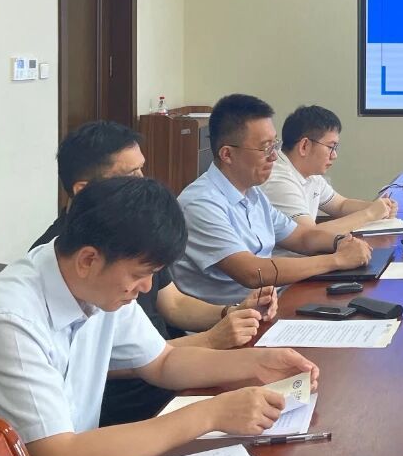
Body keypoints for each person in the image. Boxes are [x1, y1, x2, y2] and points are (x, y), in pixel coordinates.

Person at [0, 177, 319, 456]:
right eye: (141, 274)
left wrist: (257, 363)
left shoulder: (93, 282)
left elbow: (161, 362)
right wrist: (210, 414)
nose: (146, 287)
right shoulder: (10, 320)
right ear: (89, 259)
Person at [31, 120, 278, 426]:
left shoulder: (130, 238)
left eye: (142, 169)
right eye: (129, 175)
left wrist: (231, 312)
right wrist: (211, 340)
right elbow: (103, 364)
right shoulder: (69, 264)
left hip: (165, 377)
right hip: (127, 404)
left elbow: (172, 305)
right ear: (83, 191)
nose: (142, 182)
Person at [172, 93, 373, 304]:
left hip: (272, 302)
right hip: (231, 316)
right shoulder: (201, 203)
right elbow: (253, 272)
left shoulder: (253, 193)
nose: (274, 156)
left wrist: (341, 242)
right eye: (265, 148)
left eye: (274, 144)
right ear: (227, 154)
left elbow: (302, 237)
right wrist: (337, 260)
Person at [261, 104, 398, 232]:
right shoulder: (279, 180)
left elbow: (340, 205)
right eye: (331, 147)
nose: (334, 155)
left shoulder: (310, 174)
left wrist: (379, 207)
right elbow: (309, 235)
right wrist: (370, 214)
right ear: (304, 146)